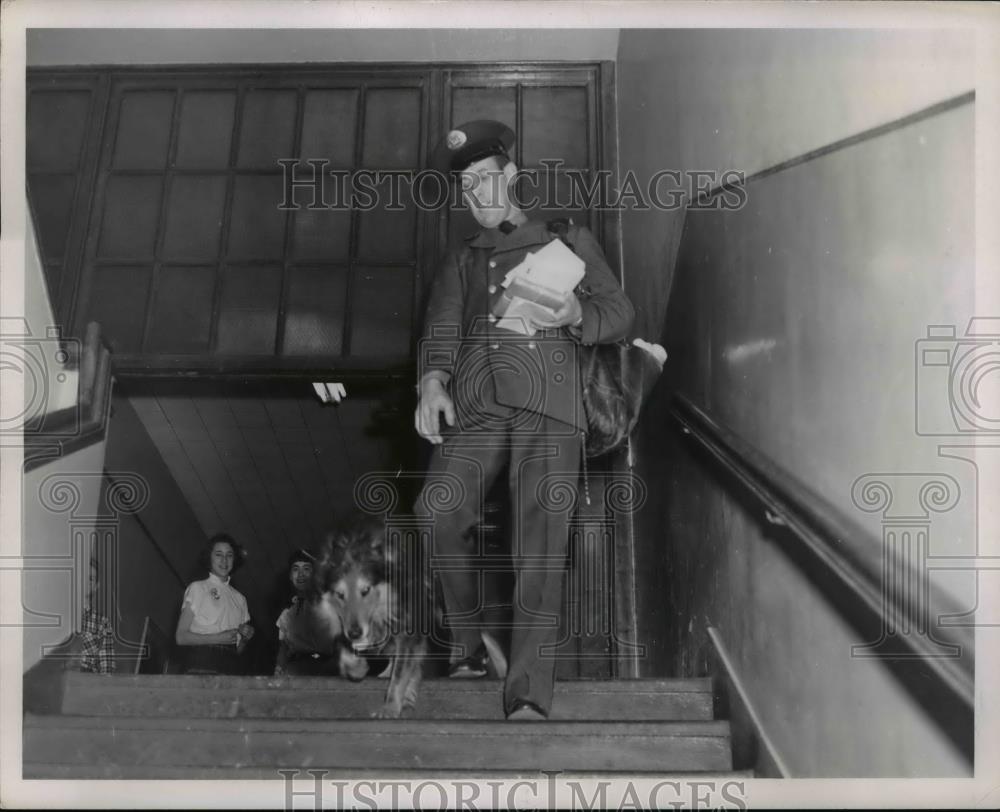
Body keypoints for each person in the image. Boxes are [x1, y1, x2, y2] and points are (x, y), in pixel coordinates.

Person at [414, 120, 634, 720]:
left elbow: (618, 312)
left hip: (550, 404)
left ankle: (530, 689)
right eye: (466, 190)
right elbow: (441, 326)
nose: (477, 198)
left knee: (539, 545)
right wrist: (432, 383)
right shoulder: (461, 258)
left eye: (485, 182)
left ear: (510, 176)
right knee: (435, 512)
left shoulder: (566, 236)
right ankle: (468, 648)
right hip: (479, 406)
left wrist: (573, 310)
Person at [175, 533, 255, 675]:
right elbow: (181, 637)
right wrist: (217, 638)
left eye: (229, 555)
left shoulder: (240, 599)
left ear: (234, 559)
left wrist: (244, 638)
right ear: (209, 557)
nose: (224, 560)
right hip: (201, 663)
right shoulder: (197, 588)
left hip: (230, 667)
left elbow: (238, 649)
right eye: (218, 554)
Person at [78, 558, 115, 674]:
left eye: (90, 579)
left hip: (86, 682)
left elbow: (107, 667)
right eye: (82, 576)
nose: (85, 581)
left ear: (95, 586)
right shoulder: (60, 613)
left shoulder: (102, 623)